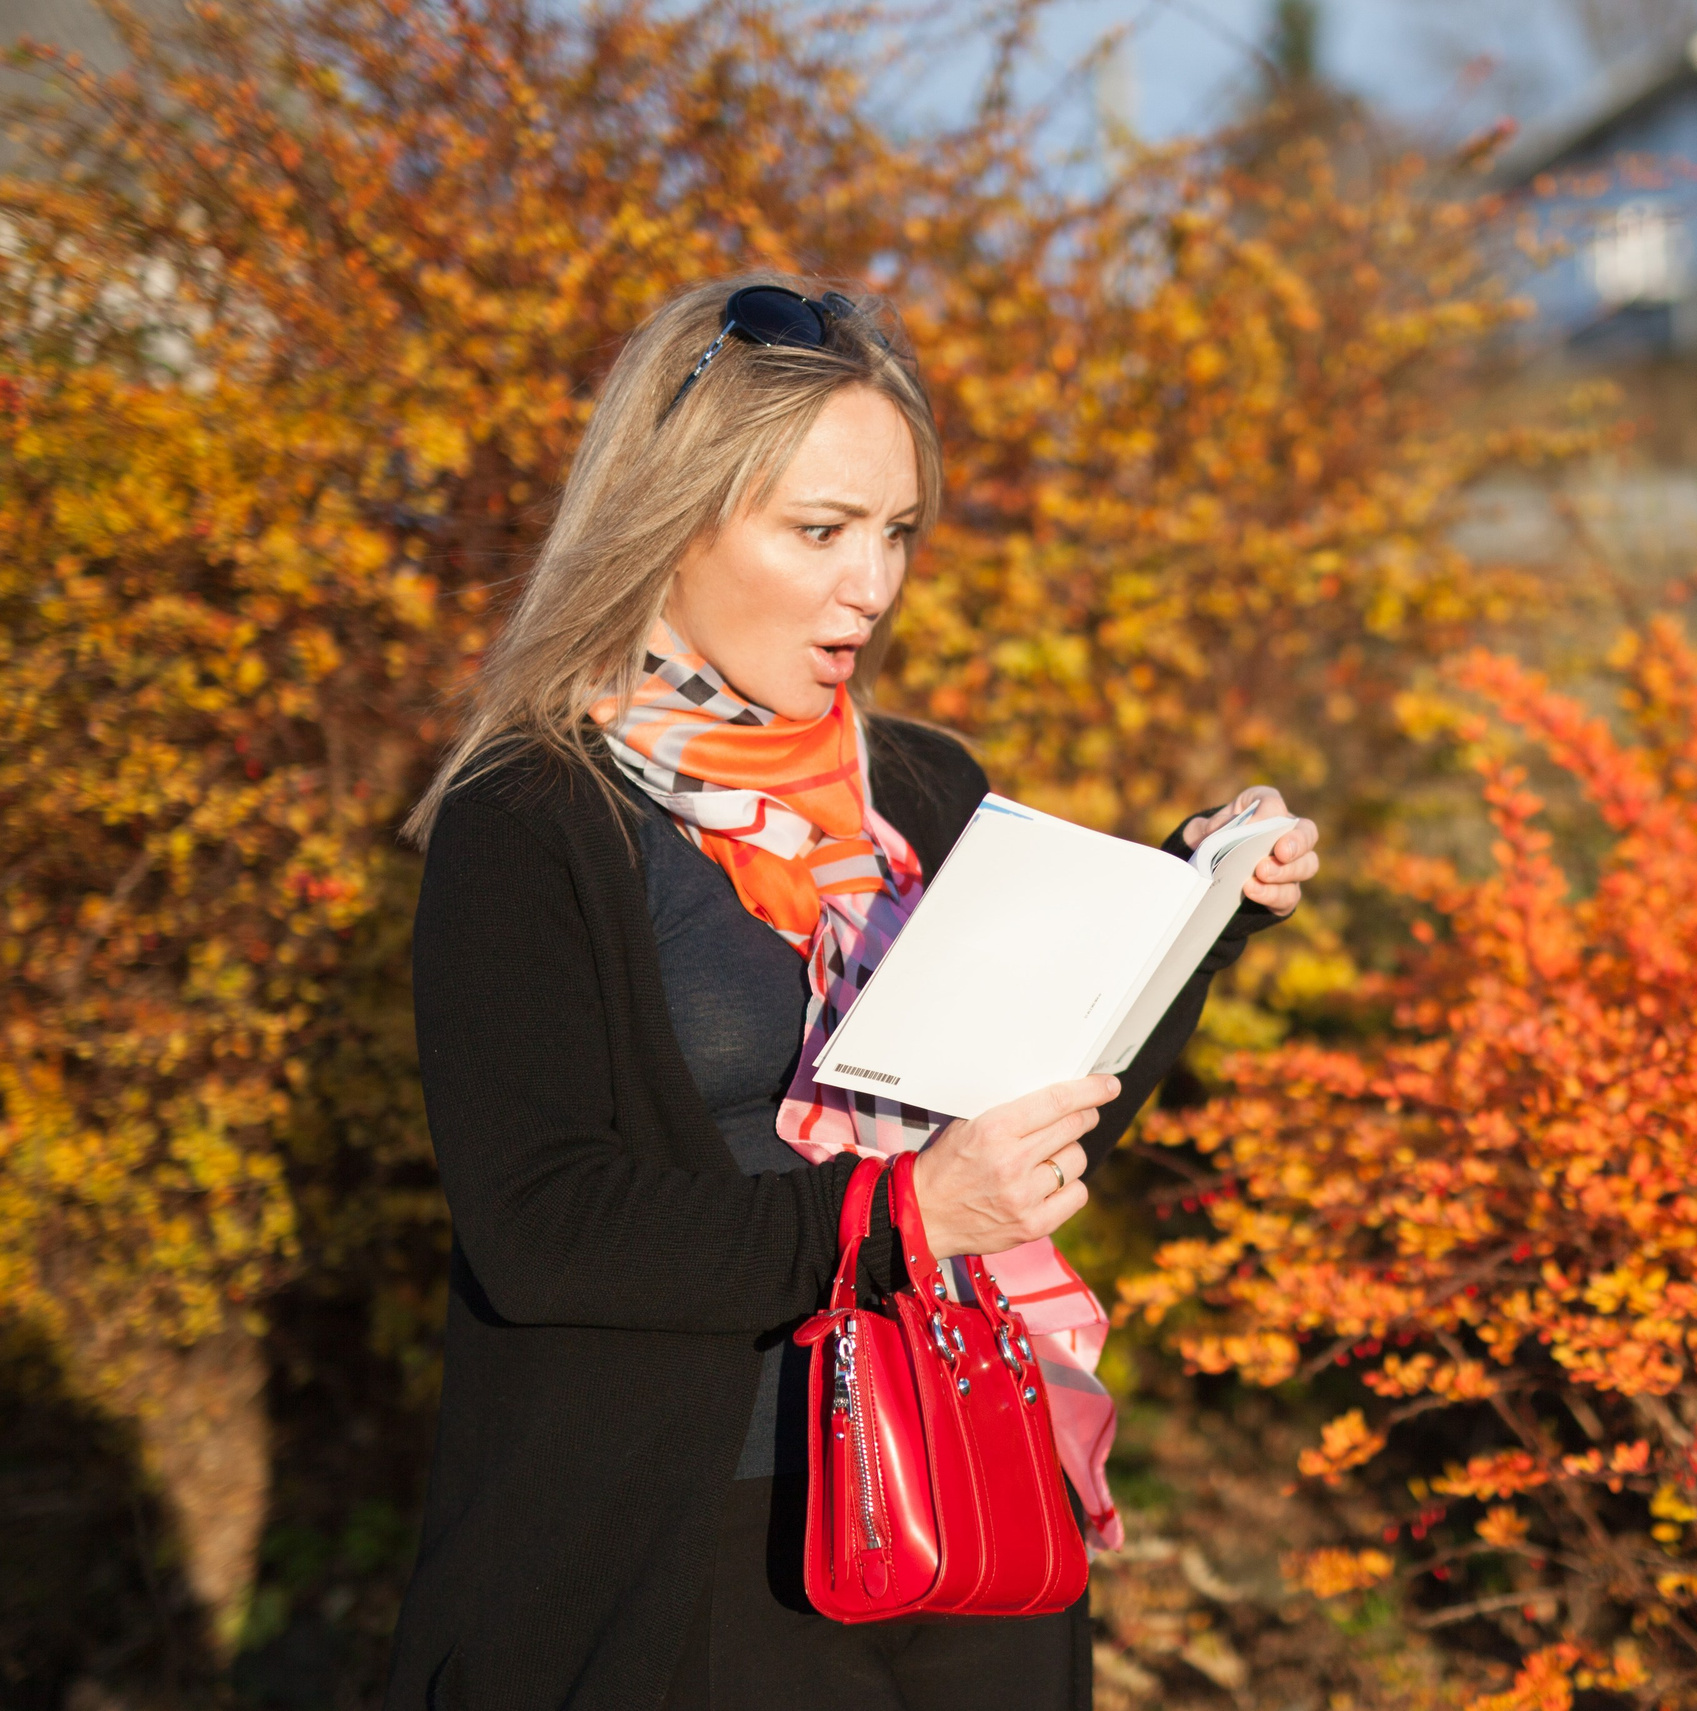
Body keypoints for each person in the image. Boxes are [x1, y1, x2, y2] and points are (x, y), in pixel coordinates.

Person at [385, 276, 1320, 1711]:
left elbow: (1025, 1141)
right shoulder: (534, 817)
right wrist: (898, 1214)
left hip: (968, 1480)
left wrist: (1197, 922)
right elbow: (545, 1230)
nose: (870, 585)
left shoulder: (924, 793)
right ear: (670, 519)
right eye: (819, 531)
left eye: (893, 534)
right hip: (691, 1538)